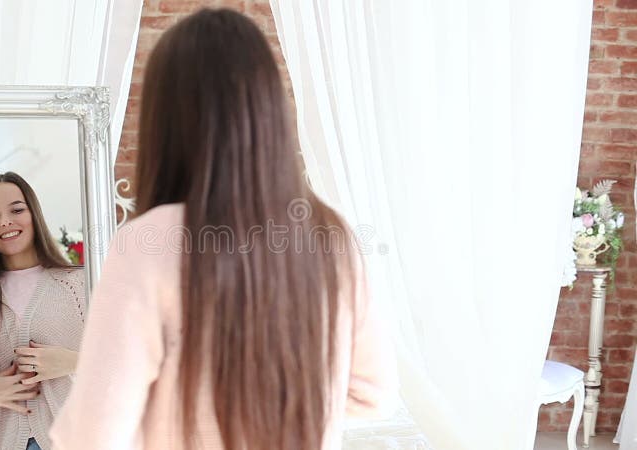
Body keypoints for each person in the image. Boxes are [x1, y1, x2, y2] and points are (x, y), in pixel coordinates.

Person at [51, 8, 398, 450]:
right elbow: (374, 392)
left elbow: (92, 436)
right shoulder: (330, 235)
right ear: (269, 109)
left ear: (166, 121)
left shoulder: (150, 242)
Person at [0, 172, 86, 450]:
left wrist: (72, 361)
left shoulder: (80, 285)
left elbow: (121, 368)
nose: (5, 221)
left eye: (16, 209)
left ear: (34, 214)